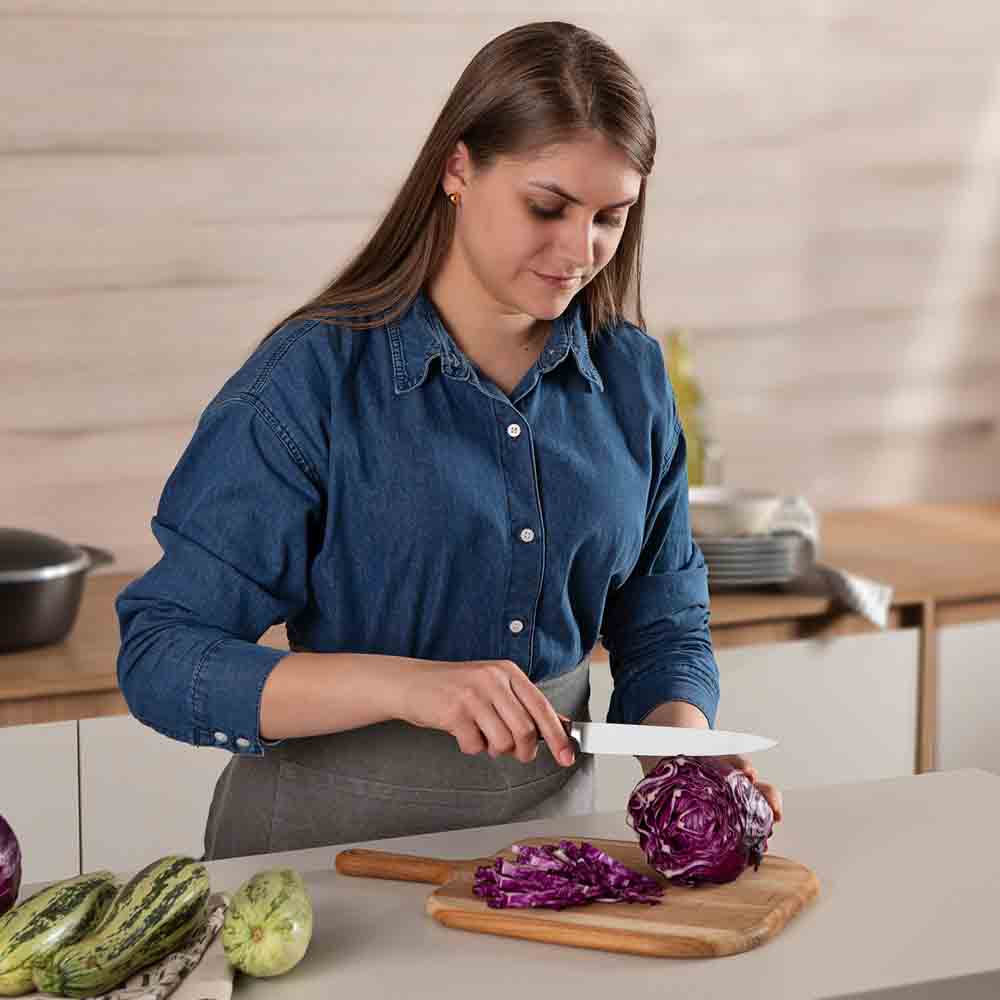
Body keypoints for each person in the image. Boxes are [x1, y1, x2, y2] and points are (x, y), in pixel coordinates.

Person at [116, 20, 782, 861]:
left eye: (611, 218)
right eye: (547, 207)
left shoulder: (632, 377)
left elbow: (660, 625)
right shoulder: (310, 381)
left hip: (549, 858)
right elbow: (162, 656)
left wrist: (690, 762)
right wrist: (407, 686)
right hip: (318, 869)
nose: (580, 253)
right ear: (459, 169)